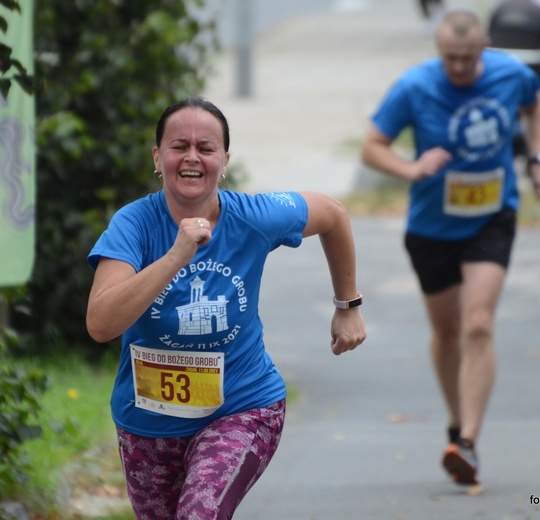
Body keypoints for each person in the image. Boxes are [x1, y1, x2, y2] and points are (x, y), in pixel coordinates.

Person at [86, 96, 366, 519]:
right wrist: (175, 256)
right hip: (147, 423)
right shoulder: (134, 224)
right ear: (157, 157)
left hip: (242, 407)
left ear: (225, 159)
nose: (192, 157)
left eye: (206, 148)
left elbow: (332, 213)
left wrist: (348, 305)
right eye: (179, 146)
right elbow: (101, 323)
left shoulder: (253, 216)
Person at [360, 9, 540, 486]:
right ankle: (457, 424)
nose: (457, 67)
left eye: (466, 58)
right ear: (440, 53)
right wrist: (411, 169)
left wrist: (539, 160)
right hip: (432, 227)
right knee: (447, 333)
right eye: (449, 58)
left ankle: (470, 443)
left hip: (491, 217)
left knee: (478, 323)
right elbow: (372, 147)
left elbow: (534, 106)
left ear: (484, 49)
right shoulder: (414, 86)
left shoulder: (510, 74)